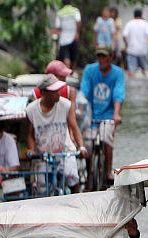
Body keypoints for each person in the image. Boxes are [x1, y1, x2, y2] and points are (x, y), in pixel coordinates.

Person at [26, 74, 86, 194]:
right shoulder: (31, 110)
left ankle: (77, 201)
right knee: (41, 187)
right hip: (43, 155)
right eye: (54, 91)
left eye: (58, 90)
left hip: (65, 151)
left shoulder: (65, 105)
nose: (58, 93)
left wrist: (81, 147)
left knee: (73, 178)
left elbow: (74, 127)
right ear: (43, 93)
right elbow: (30, 134)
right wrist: (31, 149)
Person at [80, 46, 124, 188]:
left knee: (106, 139)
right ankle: (89, 174)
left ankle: (108, 171)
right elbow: (84, 90)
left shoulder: (117, 73)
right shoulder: (89, 70)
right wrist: (80, 109)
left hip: (109, 115)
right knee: (88, 145)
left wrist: (116, 113)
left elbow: (118, 94)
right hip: (91, 115)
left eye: (104, 56)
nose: (101, 59)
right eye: (99, 56)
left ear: (110, 57)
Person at [45, 60, 83, 192]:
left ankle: (77, 198)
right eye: (62, 77)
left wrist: (77, 142)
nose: (65, 81)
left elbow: (72, 121)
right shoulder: (39, 93)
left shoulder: (69, 92)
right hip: (45, 139)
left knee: (72, 175)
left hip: (63, 136)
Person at [123, 9, 148, 76]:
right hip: (143, 50)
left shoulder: (129, 23)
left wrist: (127, 45)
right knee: (145, 70)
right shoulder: (145, 24)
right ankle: (145, 81)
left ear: (134, 15)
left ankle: (131, 81)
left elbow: (124, 36)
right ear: (141, 15)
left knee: (131, 70)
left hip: (131, 50)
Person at [54, 0, 81, 69]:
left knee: (65, 56)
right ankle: (71, 71)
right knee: (73, 57)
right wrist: (77, 33)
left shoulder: (59, 13)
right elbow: (78, 21)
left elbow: (58, 27)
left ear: (62, 3)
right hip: (74, 37)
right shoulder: (75, 11)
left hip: (64, 39)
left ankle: (67, 70)